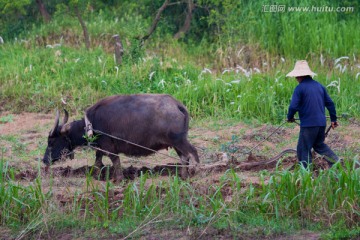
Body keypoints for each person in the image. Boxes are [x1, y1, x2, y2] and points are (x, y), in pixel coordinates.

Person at [286, 60, 339, 168]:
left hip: (309, 125)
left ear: (299, 76)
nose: (296, 79)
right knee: (319, 145)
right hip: (321, 123)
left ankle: (307, 175)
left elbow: (293, 106)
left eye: (296, 77)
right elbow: (330, 103)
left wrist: (290, 117)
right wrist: (333, 119)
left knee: (303, 148)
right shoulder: (319, 86)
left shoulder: (299, 88)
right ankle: (336, 162)